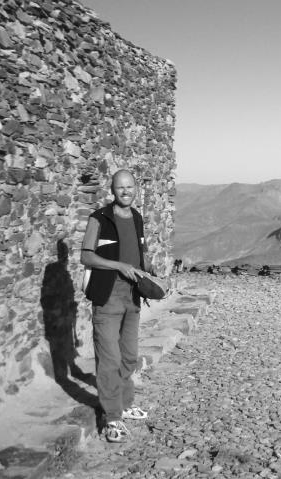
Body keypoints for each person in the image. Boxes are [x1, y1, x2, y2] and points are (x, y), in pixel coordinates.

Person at [81, 169, 152, 443]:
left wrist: (151, 272)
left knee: (129, 355)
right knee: (109, 359)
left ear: (136, 189)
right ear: (112, 190)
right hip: (108, 296)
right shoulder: (99, 219)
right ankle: (112, 417)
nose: (126, 192)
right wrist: (118, 266)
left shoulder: (136, 218)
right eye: (120, 187)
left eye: (130, 187)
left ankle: (125, 401)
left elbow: (140, 253)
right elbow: (86, 257)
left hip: (133, 296)